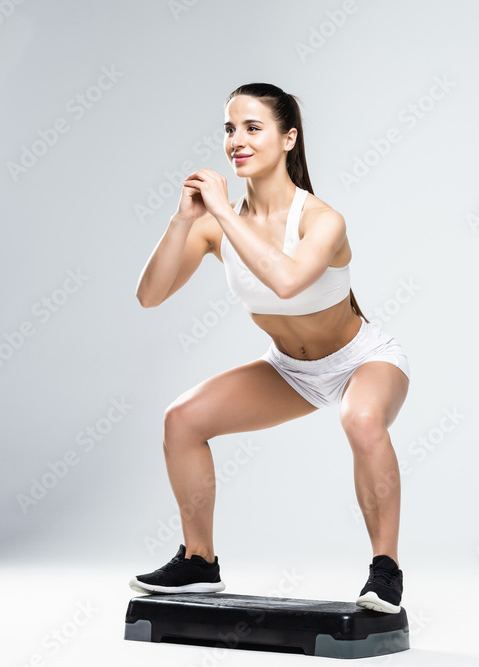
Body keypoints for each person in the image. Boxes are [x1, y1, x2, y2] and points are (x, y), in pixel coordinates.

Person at [129, 83, 410, 614]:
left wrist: (222, 213)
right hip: (290, 370)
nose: (237, 140)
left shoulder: (321, 218)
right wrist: (185, 220)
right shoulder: (213, 224)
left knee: (362, 421)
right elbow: (150, 296)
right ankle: (198, 563)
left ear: (288, 139)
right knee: (181, 420)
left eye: (252, 128)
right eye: (229, 129)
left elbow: (287, 283)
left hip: (362, 359)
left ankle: (385, 572)